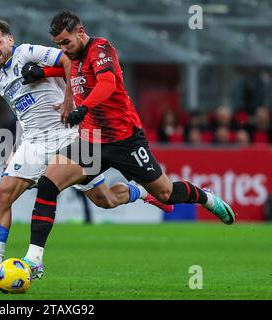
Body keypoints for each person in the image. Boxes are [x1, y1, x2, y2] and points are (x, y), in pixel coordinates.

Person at [19, 11, 236, 278]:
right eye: (59, 44)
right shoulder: (73, 57)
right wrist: (40, 72)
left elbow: (107, 83)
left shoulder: (101, 49)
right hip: (92, 140)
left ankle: (205, 197)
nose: (64, 49)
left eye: (66, 42)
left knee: (165, 193)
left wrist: (83, 107)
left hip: (125, 140)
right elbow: (66, 69)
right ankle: (34, 260)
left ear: (80, 31)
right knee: (48, 183)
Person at [0, 19, 173, 282]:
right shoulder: (1, 82)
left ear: (10, 39)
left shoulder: (28, 52)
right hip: (33, 143)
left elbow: (69, 62)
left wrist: (69, 102)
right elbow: (25, 117)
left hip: (68, 137)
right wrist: (15, 149)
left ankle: (140, 192)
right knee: (1, 195)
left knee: (105, 200)